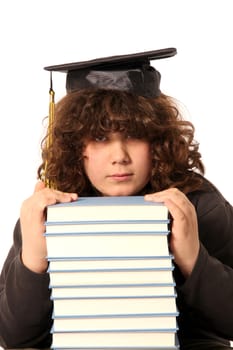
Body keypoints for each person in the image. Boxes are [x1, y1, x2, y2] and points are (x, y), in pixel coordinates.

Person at [0, 48, 233, 350]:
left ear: (157, 140)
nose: (119, 157)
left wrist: (193, 258)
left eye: (134, 135)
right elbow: (14, 337)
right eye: (99, 138)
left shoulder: (198, 204)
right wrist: (32, 257)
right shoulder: (48, 208)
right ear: (75, 145)